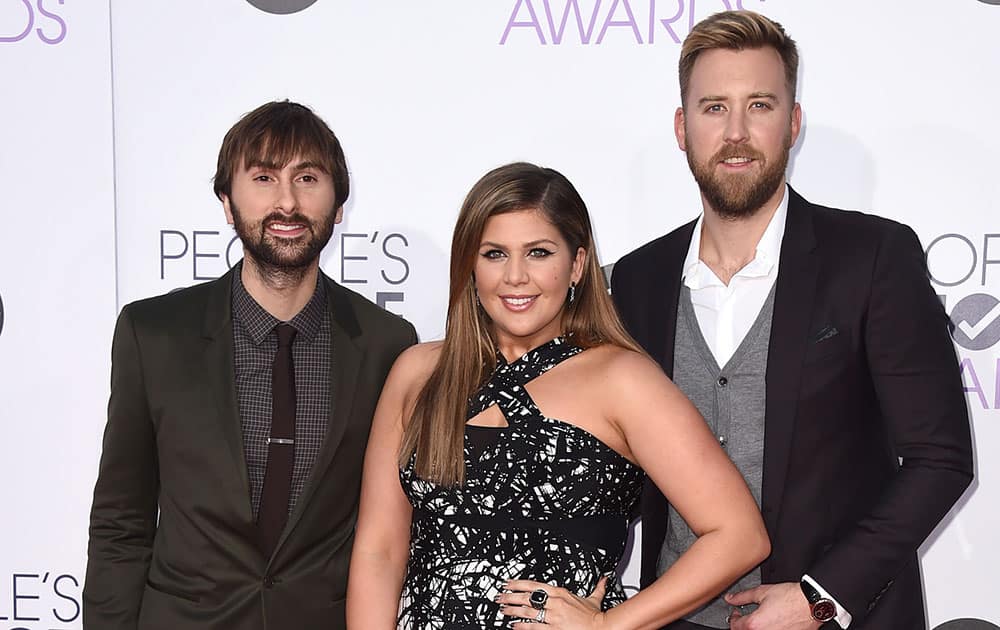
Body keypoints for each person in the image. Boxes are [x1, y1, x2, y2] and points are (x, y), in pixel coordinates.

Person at [611, 10, 974, 630]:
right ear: (682, 126)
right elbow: (619, 469)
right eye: (713, 107)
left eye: (759, 105)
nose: (736, 132)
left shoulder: (872, 257)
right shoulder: (638, 278)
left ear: (793, 122)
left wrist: (818, 595)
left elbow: (940, 459)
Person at [346, 162, 770, 629]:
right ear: (470, 264)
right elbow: (379, 548)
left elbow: (739, 534)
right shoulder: (418, 373)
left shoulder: (622, 380)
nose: (515, 277)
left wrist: (610, 624)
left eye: (538, 253)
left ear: (577, 265)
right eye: (494, 254)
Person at [83, 100, 417, 630]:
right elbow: (122, 522)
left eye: (307, 178)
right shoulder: (154, 334)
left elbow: (394, 529)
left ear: (338, 205)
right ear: (226, 200)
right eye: (264, 177)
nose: (287, 202)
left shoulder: (387, 344)